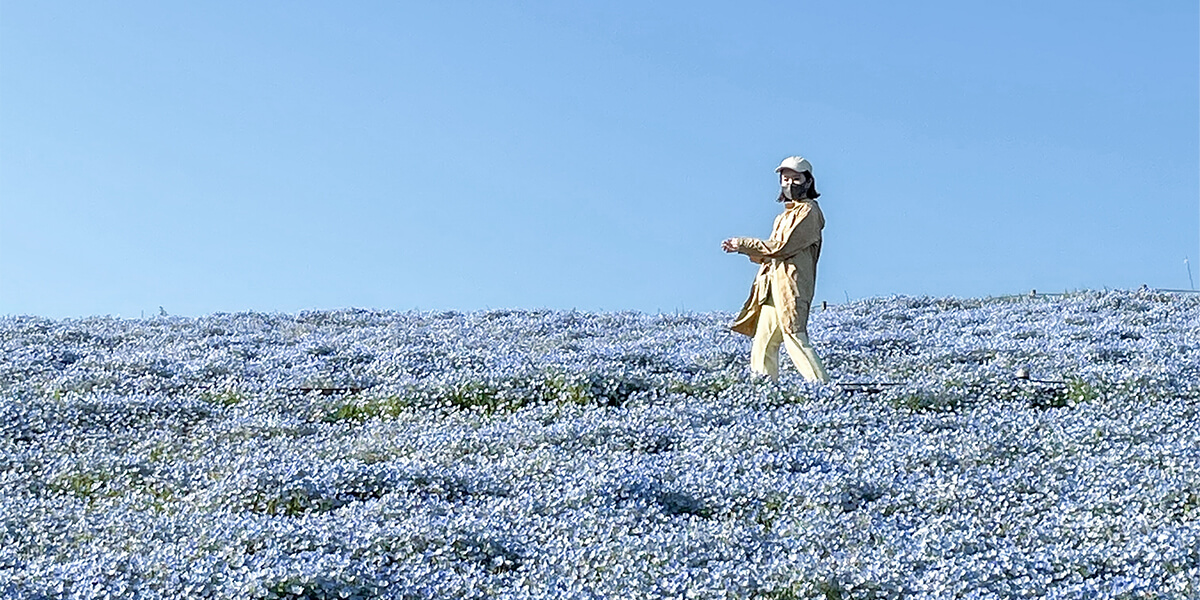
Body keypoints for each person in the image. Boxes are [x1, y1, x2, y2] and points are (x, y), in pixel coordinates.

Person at [722, 156, 830, 383]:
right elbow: (769, 254)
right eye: (785, 179)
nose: (790, 183)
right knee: (764, 342)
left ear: (808, 181)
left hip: (791, 285)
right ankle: (763, 388)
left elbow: (782, 247)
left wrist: (744, 244)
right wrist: (743, 249)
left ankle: (822, 387)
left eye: (796, 179)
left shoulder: (809, 212)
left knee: (794, 336)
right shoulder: (783, 216)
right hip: (771, 286)